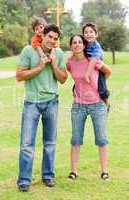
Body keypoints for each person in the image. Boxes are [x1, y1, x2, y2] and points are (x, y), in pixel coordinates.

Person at [16, 24, 67, 192]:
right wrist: (40, 66)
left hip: (52, 102)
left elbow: (63, 79)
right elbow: (19, 75)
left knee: (50, 143)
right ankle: (24, 180)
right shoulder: (28, 51)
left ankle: (48, 176)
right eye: (50, 37)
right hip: (32, 103)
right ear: (42, 35)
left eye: (55, 38)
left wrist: (52, 64)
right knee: (26, 144)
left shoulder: (58, 53)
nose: (52, 40)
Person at [66, 34, 112, 181]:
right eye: (74, 42)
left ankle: (104, 172)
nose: (77, 44)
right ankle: (73, 172)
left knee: (101, 138)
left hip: (97, 104)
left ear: (84, 45)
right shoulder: (70, 63)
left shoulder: (92, 60)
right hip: (78, 105)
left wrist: (98, 84)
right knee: (76, 139)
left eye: (80, 42)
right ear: (71, 46)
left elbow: (108, 71)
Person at [82, 22, 110, 110]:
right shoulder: (83, 44)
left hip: (98, 68)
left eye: (91, 32)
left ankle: (106, 104)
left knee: (101, 89)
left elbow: (94, 60)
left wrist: (87, 74)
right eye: (86, 32)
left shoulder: (96, 47)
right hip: (87, 66)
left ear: (96, 34)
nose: (88, 34)